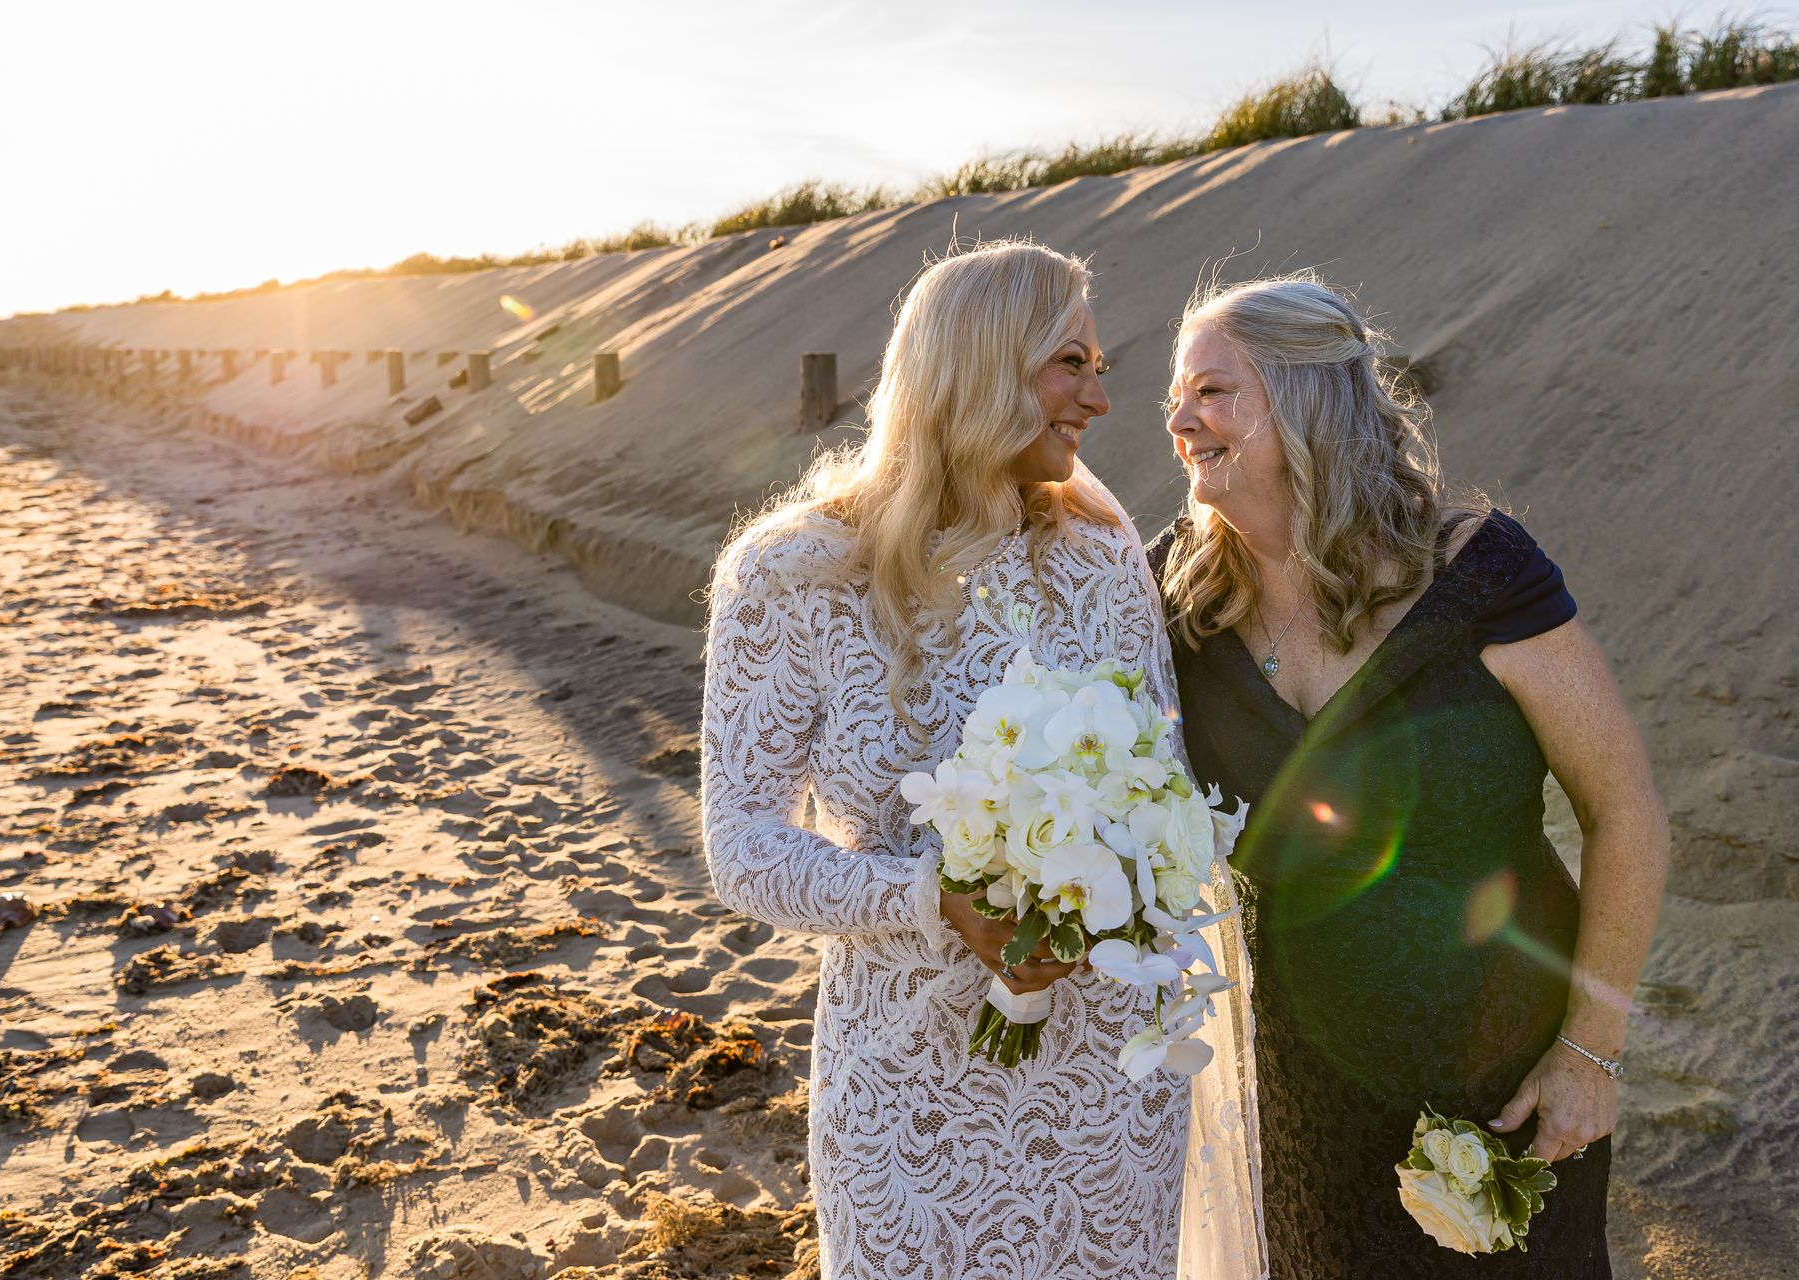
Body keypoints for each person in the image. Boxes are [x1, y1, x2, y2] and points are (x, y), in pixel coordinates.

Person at [702, 241, 1259, 1279]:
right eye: (1071, 363)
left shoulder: (1101, 553)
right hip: (906, 1092)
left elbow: (1161, 782)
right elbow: (744, 848)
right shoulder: (791, 575)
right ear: (981, 363)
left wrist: (1119, 879)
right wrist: (934, 897)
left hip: (1107, 1090)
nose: (1100, 398)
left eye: (1099, 367)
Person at [1148, 275, 1668, 1276]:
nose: (1178, 421)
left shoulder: (1476, 571)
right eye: (1176, 396)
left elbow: (1624, 810)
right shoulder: (1175, 599)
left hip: (1506, 1089)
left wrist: (1590, 1053)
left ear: (1307, 398)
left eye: (1211, 391)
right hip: (1298, 1107)